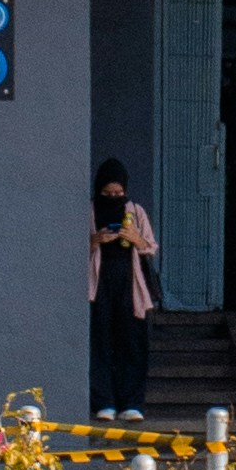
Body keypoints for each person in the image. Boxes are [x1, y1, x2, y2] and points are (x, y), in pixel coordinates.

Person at [83, 158, 161, 449]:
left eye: (119, 194)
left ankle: (131, 403)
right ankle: (104, 401)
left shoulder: (136, 211)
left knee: (132, 343)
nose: (115, 199)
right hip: (99, 285)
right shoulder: (90, 211)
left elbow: (151, 247)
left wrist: (135, 238)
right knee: (101, 341)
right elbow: (74, 246)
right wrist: (96, 239)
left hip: (131, 287)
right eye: (109, 195)